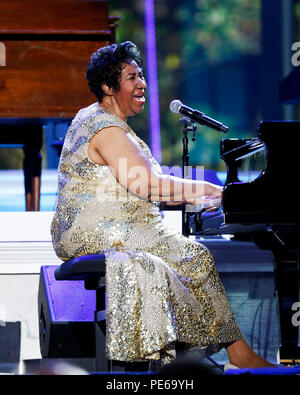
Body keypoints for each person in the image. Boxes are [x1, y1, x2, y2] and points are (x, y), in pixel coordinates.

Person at [51, 41, 274, 369]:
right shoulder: (105, 127)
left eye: (141, 75)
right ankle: (184, 362)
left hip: (115, 226)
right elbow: (149, 185)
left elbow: (141, 187)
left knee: (195, 257)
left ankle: (231, 356)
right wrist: (215, 191)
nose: (141, 83)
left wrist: (209, 195)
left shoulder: (103, 122)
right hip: (98, 230)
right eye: (131, 77)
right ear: (108, 87)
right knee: (177, 259)